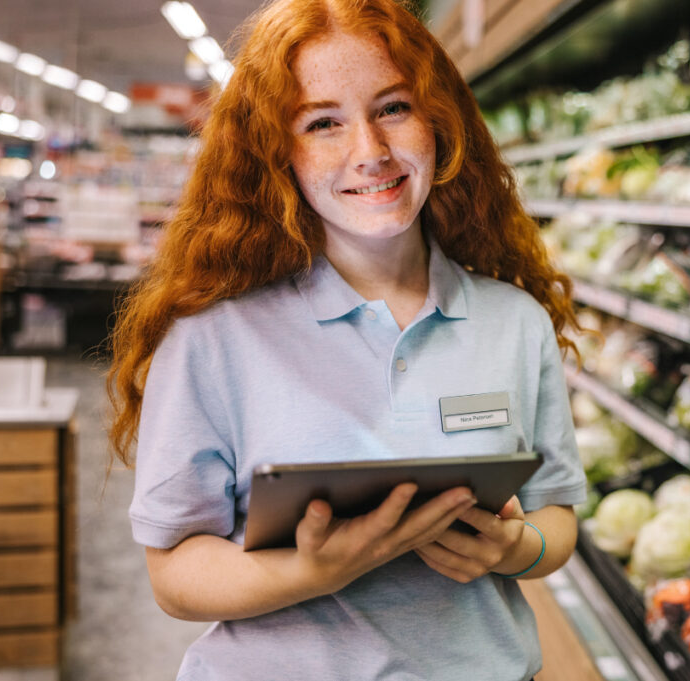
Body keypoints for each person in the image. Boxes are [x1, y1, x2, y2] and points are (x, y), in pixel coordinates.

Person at [106, 0, 587, 678]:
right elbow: (174, 573)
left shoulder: (515, 322)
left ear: (439, 118)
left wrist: (511, 549)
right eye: (323, 123)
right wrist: (311, 570)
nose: (370, 151)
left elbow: (556, 519)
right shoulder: (213, 339)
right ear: (279, 154)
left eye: (394, 108)